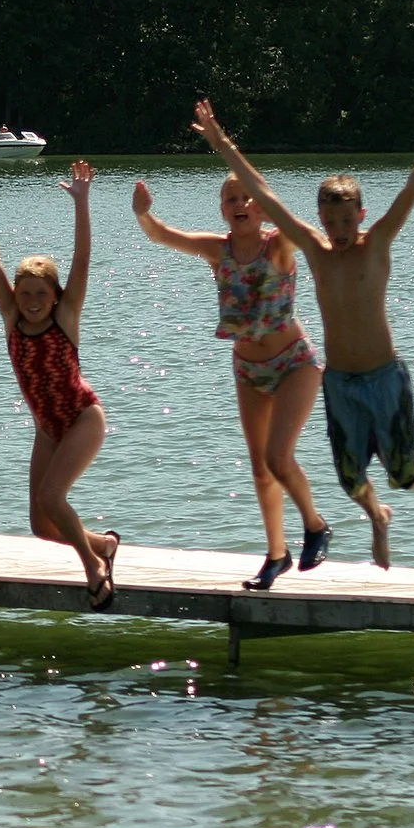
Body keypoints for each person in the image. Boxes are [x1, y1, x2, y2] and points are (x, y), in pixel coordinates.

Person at [195, 95, 414, 569]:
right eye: (331, 222)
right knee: (349, 479)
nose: (340, 229)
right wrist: (221, 143)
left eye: (348, 220)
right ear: (321, 221)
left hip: (384, 378)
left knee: (403, 474)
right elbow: (264, 197)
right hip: (341, 383)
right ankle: (377, 518)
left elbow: (411, 189)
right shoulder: (317, 251)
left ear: (361, 216)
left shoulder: (377, 243)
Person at [132, 173, 333, 590]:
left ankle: (315, 526)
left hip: (295, 362)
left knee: (279, 457)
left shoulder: (280, 243)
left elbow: (320, 239)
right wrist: (143, 213)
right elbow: (162, 236)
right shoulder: (217, 250)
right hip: (247, 367)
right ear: (223, 209)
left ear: (262, 207)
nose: (240, 205)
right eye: (231, 200)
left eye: (248, 198)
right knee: (261, 470)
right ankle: (276, 556)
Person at [0, 164, 120, 607]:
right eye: (25, 293)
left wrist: (82, 203)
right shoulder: (12, 319)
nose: (32, 302)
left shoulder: (65, 319)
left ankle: (94, 569)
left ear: (55, 295)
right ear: (14, 296)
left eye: (41, 294)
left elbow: (81, 259)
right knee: (42, 524)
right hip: (46, 428)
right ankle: (103, 546)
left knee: (54, 498)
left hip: (82, 419)